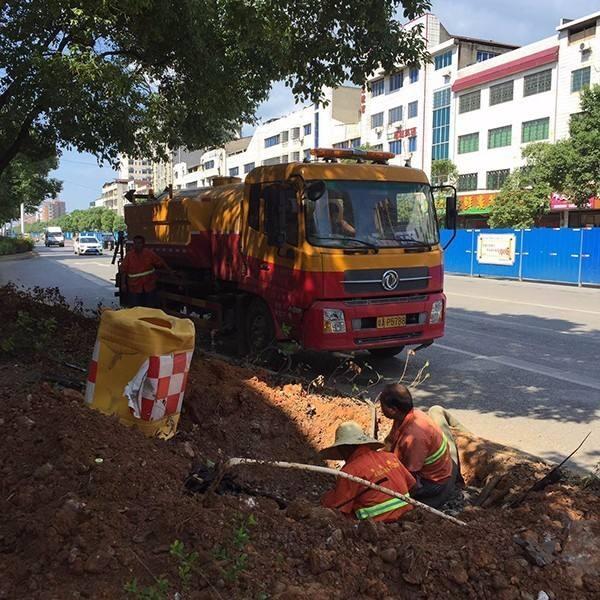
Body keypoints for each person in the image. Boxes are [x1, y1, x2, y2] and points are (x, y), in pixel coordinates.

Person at [378, 384, 459, 508]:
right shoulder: (407, 415)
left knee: (389, 494)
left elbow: (409, 476)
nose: (380, 408)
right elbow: (390, 441)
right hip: (433, 469)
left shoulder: (414, 436)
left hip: (433, 482)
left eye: (382, 405)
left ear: (392, 410)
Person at [320, 421, 415, 522]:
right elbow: (411, 484)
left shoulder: (349, 472)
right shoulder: (390, 457)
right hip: (408, 518)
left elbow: (339, 509)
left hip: (378, 526)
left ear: (343, 449)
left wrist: (327, 499)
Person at [120, 235, 170, 308]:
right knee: (136, 308)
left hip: (149, 285)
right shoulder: (129, 256)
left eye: (139, 243)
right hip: (135, 287)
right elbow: (123, 270)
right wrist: (123, 284)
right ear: (133, 244)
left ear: (143, 244)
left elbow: (160, 262)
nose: (137, 245)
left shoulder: (149, 254)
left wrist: (170, 272)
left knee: (149, 307)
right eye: (135, 243)